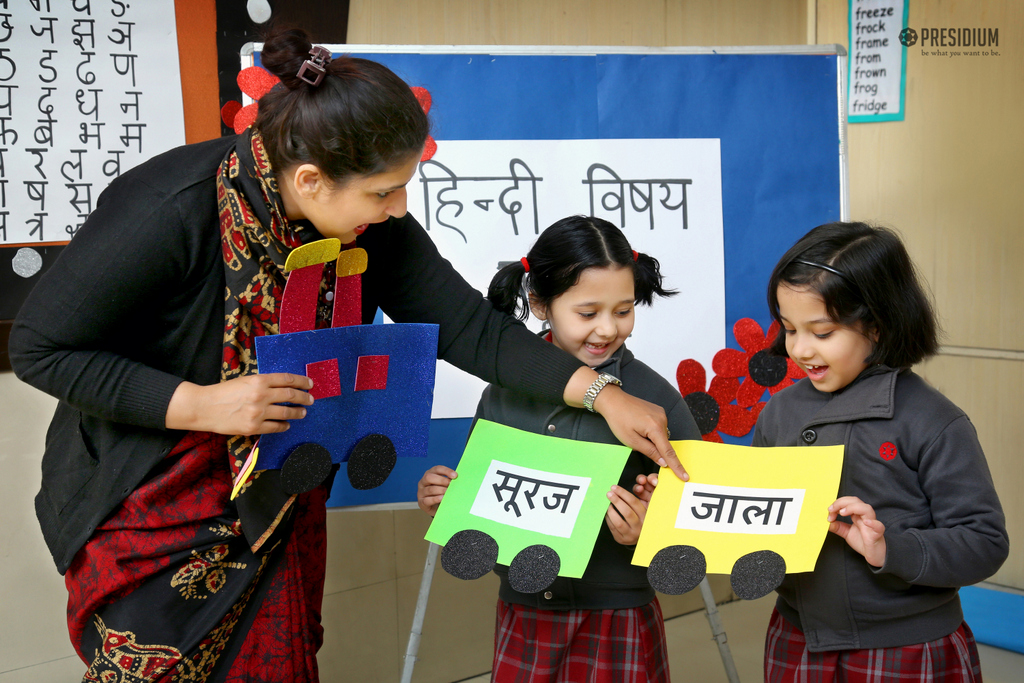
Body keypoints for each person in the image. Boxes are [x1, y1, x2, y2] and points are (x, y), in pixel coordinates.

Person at [7, 29, 682, 683]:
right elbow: (40, 346)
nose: (399, 207)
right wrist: (206, 403)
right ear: (309, 179)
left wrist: (602, 392)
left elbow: (469, 327)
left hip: (276, 492)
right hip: (150, 500)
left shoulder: (369, 221)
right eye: (385, 191)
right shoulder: (171, 209)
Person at [418, 216, 701, 683]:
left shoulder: (654, 401)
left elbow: (698, 526)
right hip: (525, 615)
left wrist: (651, 532)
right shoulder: (502, 393)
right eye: (588, 313)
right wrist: (447, 505)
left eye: (624, 309)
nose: (608, 329)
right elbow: (478, 529)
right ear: (539, 303)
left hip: (617, 618)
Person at [753, 221, 1008, 682]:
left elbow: (984, 542)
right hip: (798, 637)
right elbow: (756, 517)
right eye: (789, 329)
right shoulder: (779, 413)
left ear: (876, 325)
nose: (800, 348)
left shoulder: (932, 420)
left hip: (905, 645)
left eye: (823, 332)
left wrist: (890, 548)